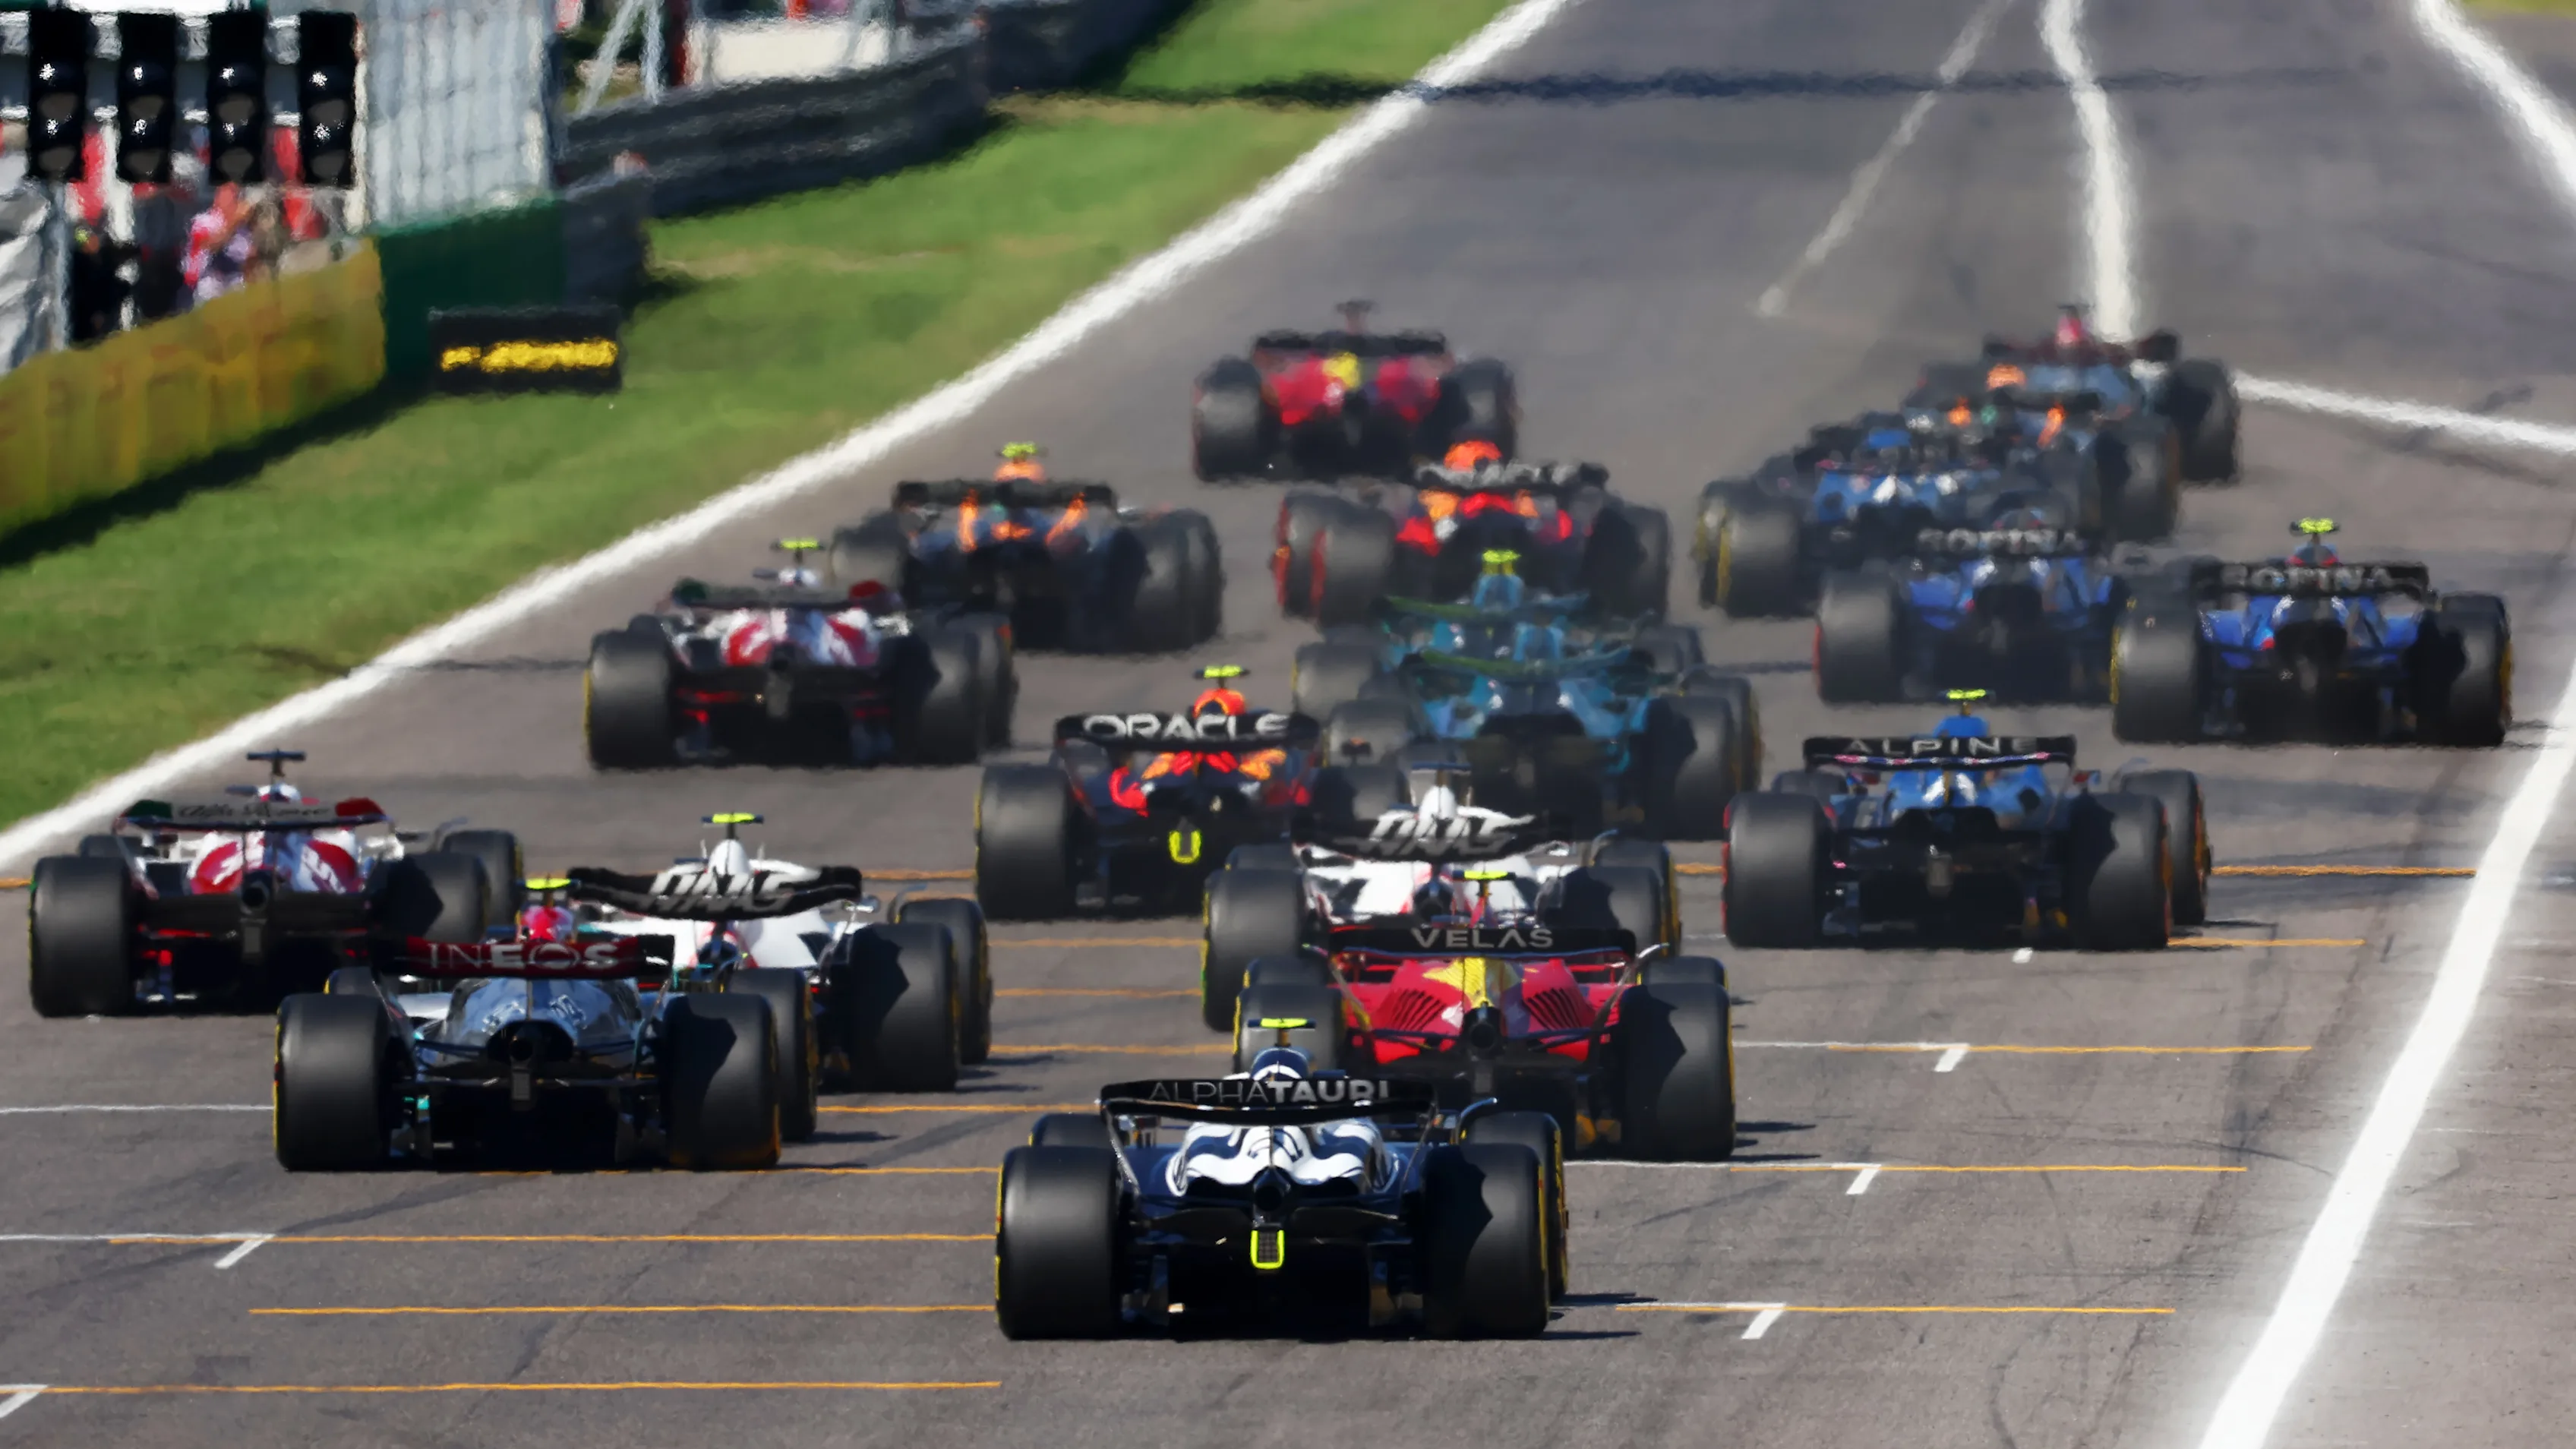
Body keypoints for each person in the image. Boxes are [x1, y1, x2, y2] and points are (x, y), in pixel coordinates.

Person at [183, 184, 257, 305]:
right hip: (207, 280)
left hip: (234, 280)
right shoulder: (203, 221)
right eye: (229, 198)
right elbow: (212, 245)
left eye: (236, 198)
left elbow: (250, 260)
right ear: (217, 200)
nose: (234, 203)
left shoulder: (244, 229)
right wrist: (235, 222)